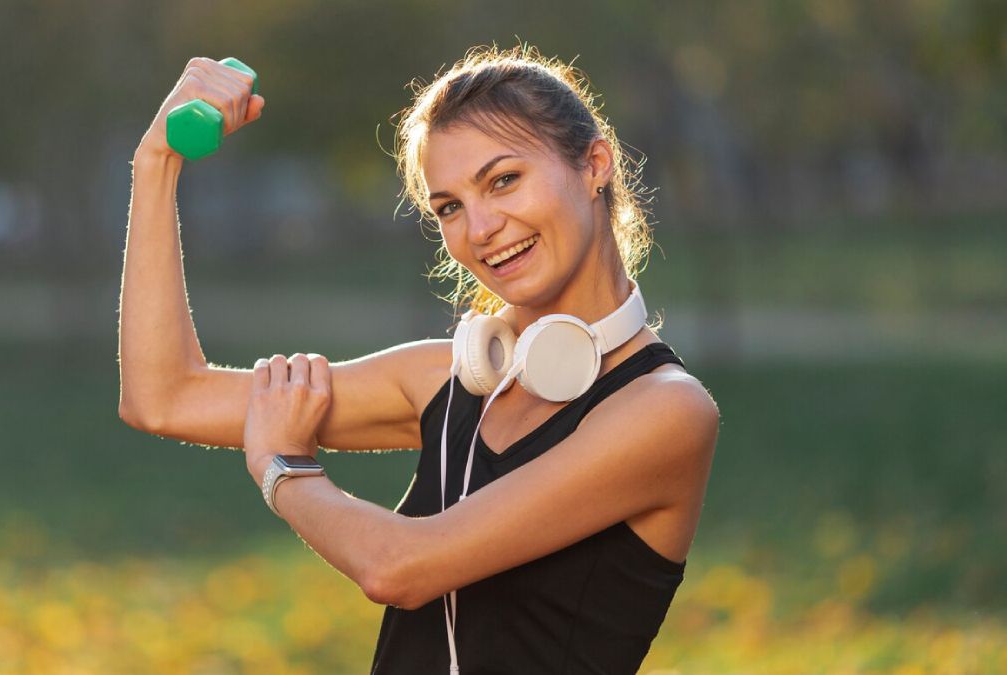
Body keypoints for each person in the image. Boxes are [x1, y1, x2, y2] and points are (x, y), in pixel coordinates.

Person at [118, 44, 719, 675]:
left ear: (594, 164)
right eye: (450, 207)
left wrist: (284, 466)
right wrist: (155, 163)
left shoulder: (665, 411)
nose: (481, 227)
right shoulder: (449, 379)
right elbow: (163, 397)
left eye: (504, 180)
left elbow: (399, 568)